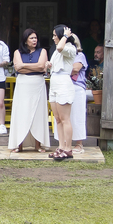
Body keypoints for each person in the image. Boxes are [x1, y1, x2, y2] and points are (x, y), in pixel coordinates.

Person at [7, 29, 51, 153]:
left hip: (38, 84)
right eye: (31, 38)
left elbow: (42, 66)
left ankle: (38, 144)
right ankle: (19, 144)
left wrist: (24, 66)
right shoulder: (18, 52)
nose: (34, 40)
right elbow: (17, 69)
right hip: (23, 84)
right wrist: (33, 67)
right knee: (21, 112)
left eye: (36, 38)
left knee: (38, 113)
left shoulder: (42, 51)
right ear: (25, 40)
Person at [47, 25, 82, 161]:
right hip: (54, 81)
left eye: (55, 35)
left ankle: (68, 149)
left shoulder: (69, 48)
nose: (53, 38)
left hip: (63, 83)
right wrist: (49, 65)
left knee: (65, 118)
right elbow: (56, 58)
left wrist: (66, 36)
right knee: (58, 118)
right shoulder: (56, 51)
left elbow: (61, 48)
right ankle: (61, 146)